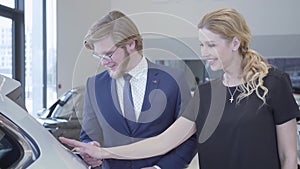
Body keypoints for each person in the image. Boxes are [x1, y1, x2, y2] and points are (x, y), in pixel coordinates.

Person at [60, 8, 300, 169]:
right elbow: (162, 142)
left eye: (211, 45)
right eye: (201, 45)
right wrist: (106, 154)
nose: (204, 53)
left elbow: (289, 156)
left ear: (235, 42)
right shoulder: (206, 94)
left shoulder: (274, 84)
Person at [70, 10, 197, 169]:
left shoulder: (173, 80)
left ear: (131, 44)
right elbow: (89, 136)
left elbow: (189, 137)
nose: (104, 62)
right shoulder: (94, 85)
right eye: (99, 56)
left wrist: (160, 168)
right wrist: (90, 149)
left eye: (108, 54)